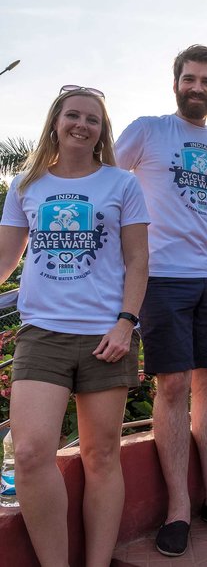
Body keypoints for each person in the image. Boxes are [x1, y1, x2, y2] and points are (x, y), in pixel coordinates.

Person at [0, 86, 149, 567]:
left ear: (102, 130)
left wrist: (126, 324)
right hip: (42, 333)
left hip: (107, 334)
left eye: (93, 119)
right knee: (29, 453)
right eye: (73, 116)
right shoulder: (26, 185)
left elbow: (137, 261)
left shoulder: (122, 184)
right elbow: (4, 260)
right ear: (55, 122)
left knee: (101, 454)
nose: (82, 125)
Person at [115, 45, 207, 556]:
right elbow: (108, 184)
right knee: (171, 386)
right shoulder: (147, 130)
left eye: (206, 80)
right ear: (175, 85)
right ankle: (177, 508)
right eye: (189, 79)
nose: (197, 87)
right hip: (161, 277)